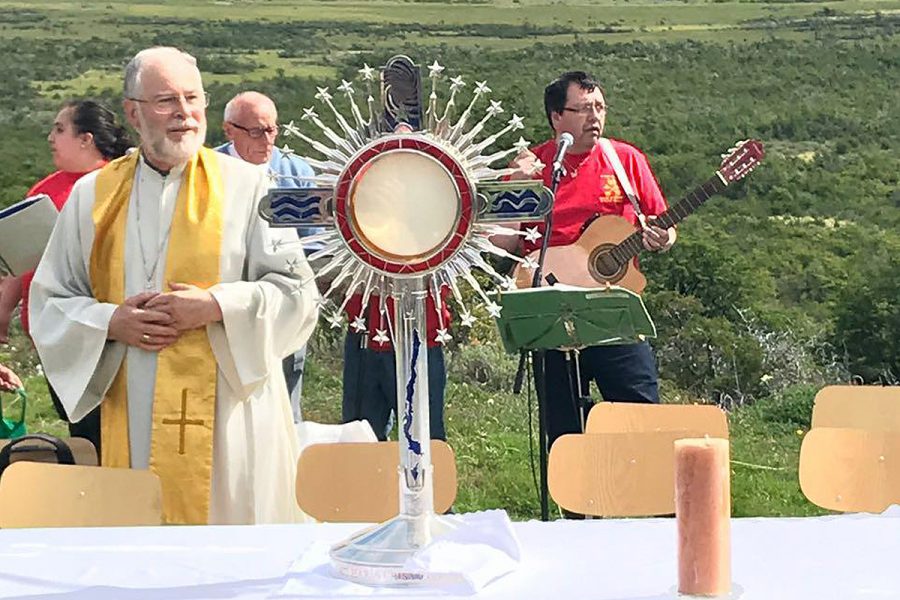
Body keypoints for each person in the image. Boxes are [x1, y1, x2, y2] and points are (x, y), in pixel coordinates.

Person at [29, 46, 319, 525]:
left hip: (231, 419)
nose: (184, 114)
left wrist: (217, 305)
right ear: (132, 112)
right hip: (134, 407)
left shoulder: (250, 187)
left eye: (193, 98)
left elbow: (297, 294)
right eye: (166, 101)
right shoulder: (92, 195)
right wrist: (110, 321)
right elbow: (51, 301)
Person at [498, 71, 676, 449]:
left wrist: (663, 238)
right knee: (564, 434)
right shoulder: (534, 165)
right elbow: (503, 242)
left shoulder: (625, 159)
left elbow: (663, 223)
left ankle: (644, 504)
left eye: (599, 107)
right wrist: (512, 186)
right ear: (555, 117)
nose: (594, 117)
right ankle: (573, 508)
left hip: (615, 313)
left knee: (641, 418)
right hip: (552, 314)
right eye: (582, 109)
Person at [0, 100, 132, 451]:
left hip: (96, 330)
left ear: (86, 139)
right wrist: (4, 307)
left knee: (104, 429)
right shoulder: (46, 188)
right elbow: (21, 254)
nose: (50, 137)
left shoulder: (117, 184)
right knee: (78, 427)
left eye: (60, 129)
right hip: (49, 330)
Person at [215, 91, 317, 424]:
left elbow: (312, 242)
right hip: (225, 309)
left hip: (280, 304)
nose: (268, 140)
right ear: (229, 131)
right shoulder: (208, 174)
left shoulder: (295, 171)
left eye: (273, 130)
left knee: (286, 397)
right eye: (256, 131)